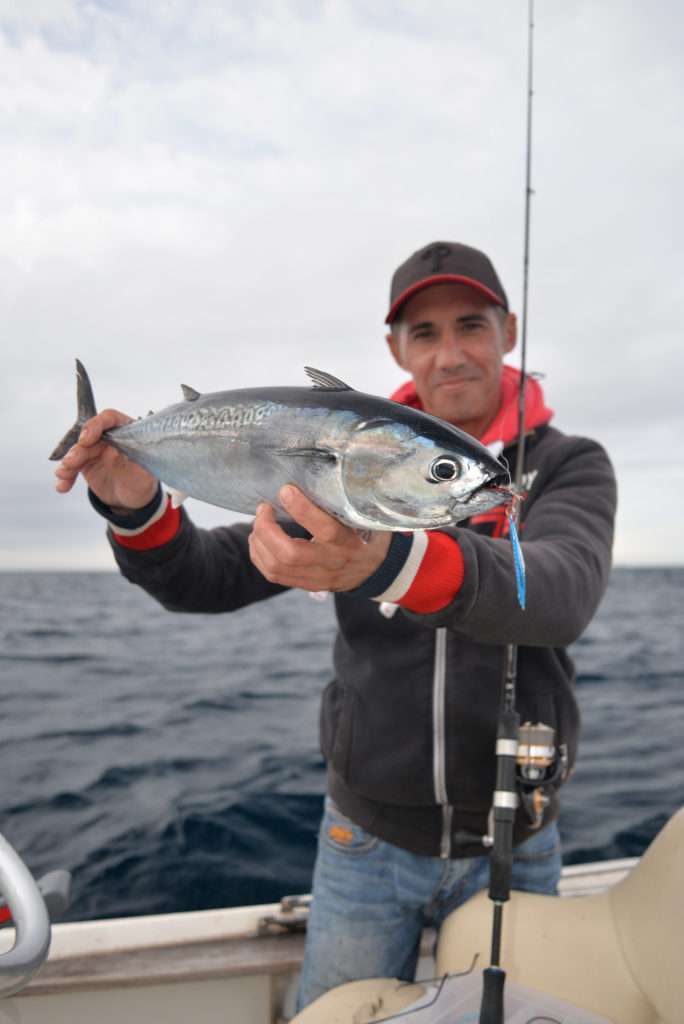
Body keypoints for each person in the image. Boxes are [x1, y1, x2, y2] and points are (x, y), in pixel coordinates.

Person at [54, 241, 617, 1011]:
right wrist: (134, 505)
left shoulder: (569, 465)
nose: (449, 354)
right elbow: (205, 577)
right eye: (424, 333)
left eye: (471, 326)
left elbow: (563, 593)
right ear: (395, 348)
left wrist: (389, 566)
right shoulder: (338, 467)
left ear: (508, 330)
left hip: (516, 841)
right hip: (364, 841)